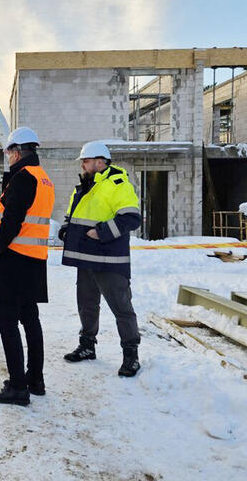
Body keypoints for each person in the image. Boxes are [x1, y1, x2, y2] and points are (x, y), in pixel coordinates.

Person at [0, 127, 54, 406]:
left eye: (8, 152)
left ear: (16, 151)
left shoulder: (23, 177)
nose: (8, 157)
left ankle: (17, 386)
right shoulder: (43, 177)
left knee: (6, 321)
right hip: (33, 258)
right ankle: (34, 379)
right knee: (30, 319)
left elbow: (12, 220)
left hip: (14, 258)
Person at [59, 141, 142, 377]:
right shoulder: (83, 186)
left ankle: (131, 356)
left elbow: (131, 218)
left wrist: (101, 232)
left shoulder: (117, 184)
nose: (82, 165)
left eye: (86, 161)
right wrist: (65, 229)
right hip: (86, 258)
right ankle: (87, 346)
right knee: (86, 304)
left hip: (109, 261)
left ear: (99, 162)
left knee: (121, 308)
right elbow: (72, 215)